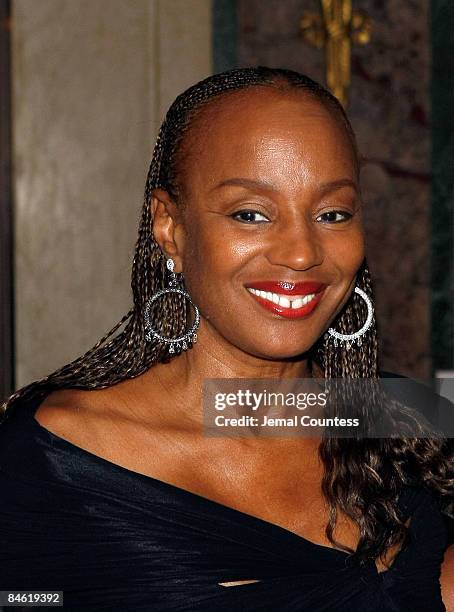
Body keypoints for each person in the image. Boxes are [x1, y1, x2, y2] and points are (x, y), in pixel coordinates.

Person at [0, 66, 453, 611]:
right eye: (251, 214)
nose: (301, 252)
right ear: (172, 227)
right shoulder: (60, 453)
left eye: (333, 213)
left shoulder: (407, 421)